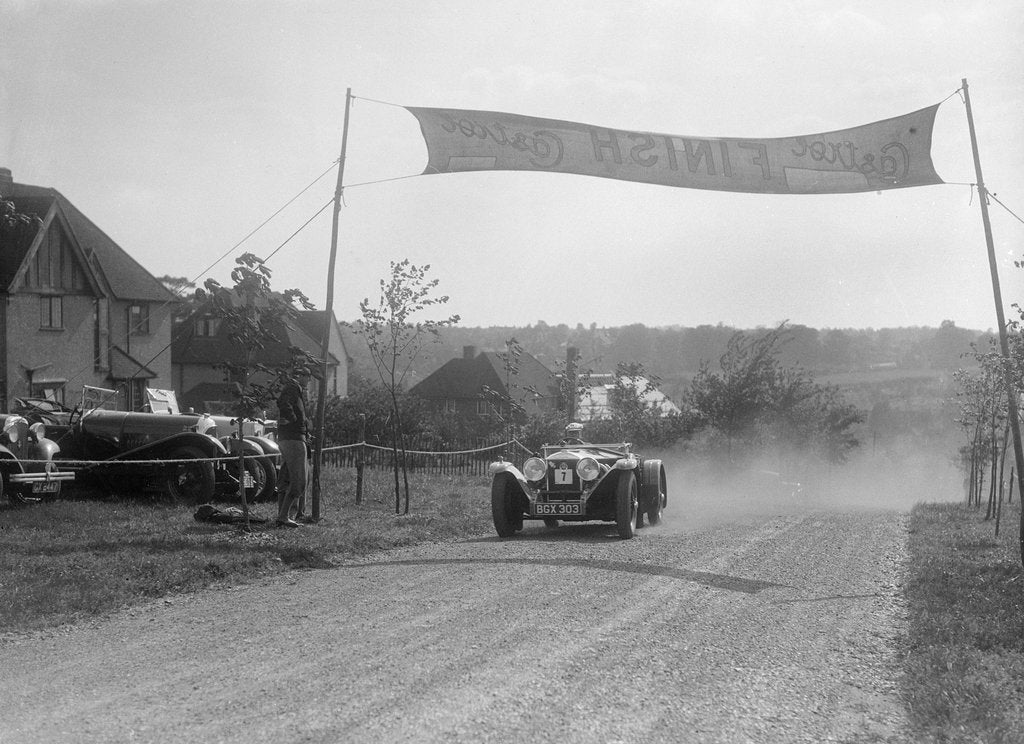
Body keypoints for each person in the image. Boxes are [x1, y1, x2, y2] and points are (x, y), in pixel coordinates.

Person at [275, 375, 309, 527]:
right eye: (307, 376)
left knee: (291, 479)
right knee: (298, 482)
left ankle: (288, 515)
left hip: (294, 438)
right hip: (293, 439)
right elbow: (283, 403)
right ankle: (283, 516)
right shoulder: (292, 388)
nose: (309, 380)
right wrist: (293, 420)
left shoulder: (296, 390)